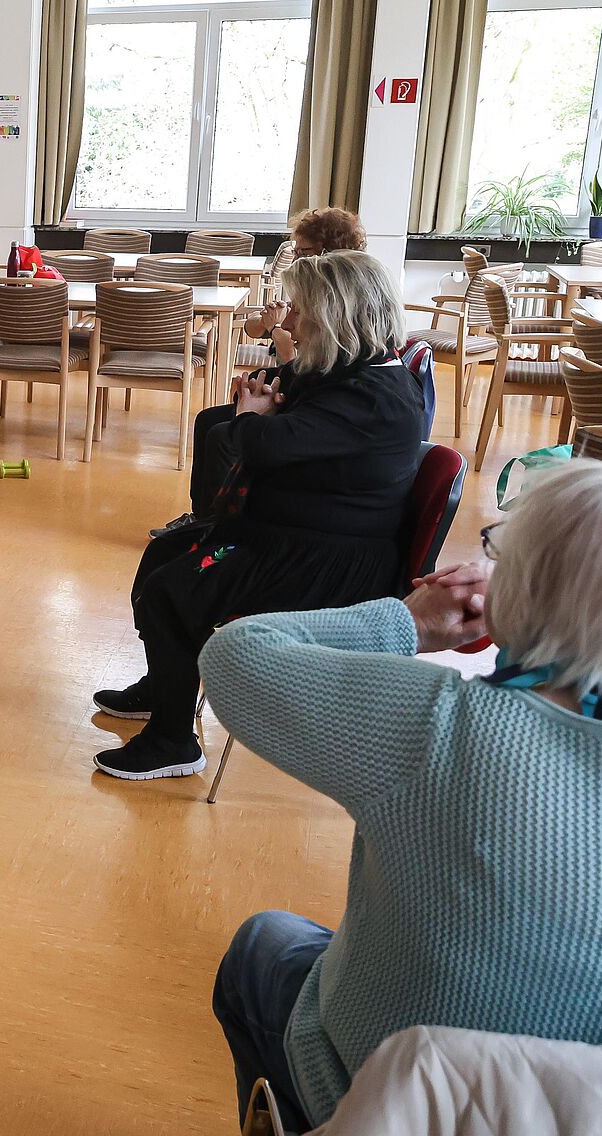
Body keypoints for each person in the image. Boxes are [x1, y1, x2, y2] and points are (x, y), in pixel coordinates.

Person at [199, 459, 602, 1136]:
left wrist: (411, 620)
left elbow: (235, 655)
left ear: (517, 590)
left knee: (264, 947)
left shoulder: (434, 726)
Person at [91, 251, 426, 779]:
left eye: (298, 311)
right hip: (294, 536)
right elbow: (276, 393)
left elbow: (266, 444)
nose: (287, 321)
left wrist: (250, 416)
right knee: (165, 553)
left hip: (326, 559)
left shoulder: (376, 397)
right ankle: (164, 686)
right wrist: (260, 401)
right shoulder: (348, 371)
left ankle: (173, 742)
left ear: (336, 318)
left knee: (173, 590)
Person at [152, 208, 432, 538]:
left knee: (220, 434)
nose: (296, 257)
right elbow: (269, 341)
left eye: (304, 252)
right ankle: (206, 518)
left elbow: (291, 366)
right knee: (211, 421)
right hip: (318, 509)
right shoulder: (339, 334)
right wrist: (262, 380)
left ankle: (211, 523)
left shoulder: (363, 384)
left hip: (323, 540)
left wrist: (256, 407)